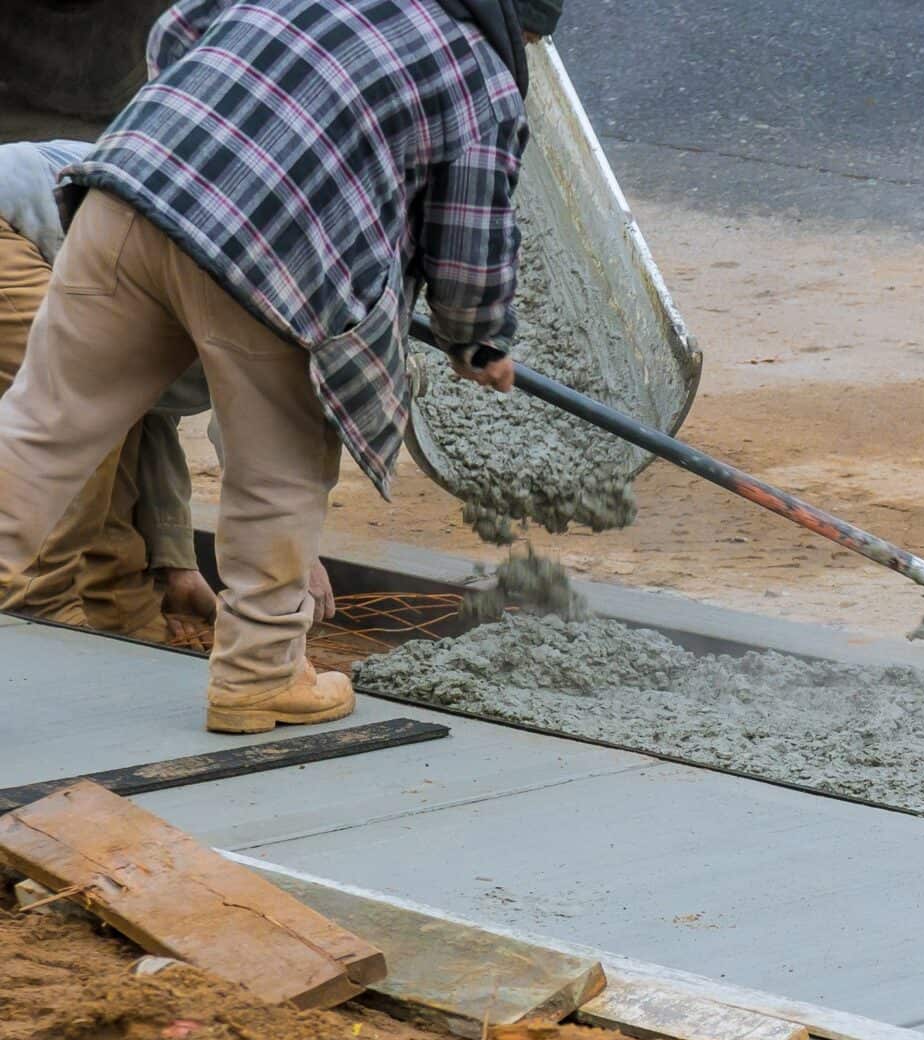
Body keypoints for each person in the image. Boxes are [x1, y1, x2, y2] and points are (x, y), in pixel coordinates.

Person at [0, 0, 560, 732]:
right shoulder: (482, 74)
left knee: (40, 431)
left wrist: (206, 134)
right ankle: (257, 680)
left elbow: (177, 30)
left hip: (130, 190)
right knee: (282, 472)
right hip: (273, 253)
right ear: (516, 25)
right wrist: (478, 339)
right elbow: (467, 238)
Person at [0, 139, 335, 642]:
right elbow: (259, 446)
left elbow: (149, 421)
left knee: (109, 408)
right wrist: (296, 556)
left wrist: (175, 567)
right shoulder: (284, 299)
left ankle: (117, 608)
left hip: (61, 239)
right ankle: (35, 611)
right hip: (12, 225)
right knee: (77, 403)